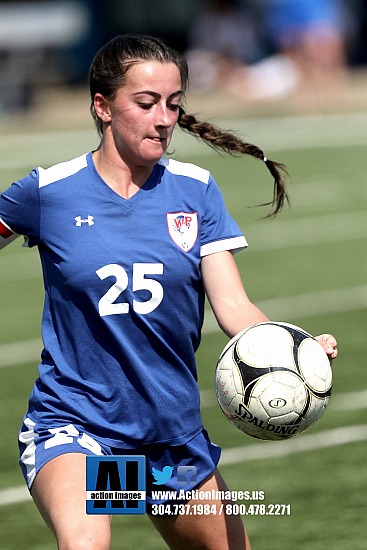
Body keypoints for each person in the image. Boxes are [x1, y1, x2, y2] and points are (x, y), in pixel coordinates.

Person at [0, 34, 338, 549]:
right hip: (78, 427)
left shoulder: (194, 188)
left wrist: (293, 349)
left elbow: (233, 306)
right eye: (146, 103)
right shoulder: (49, 191)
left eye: (173, 104)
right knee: (85, 545)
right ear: (103, 106)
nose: (163, 118)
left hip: (166, 445)